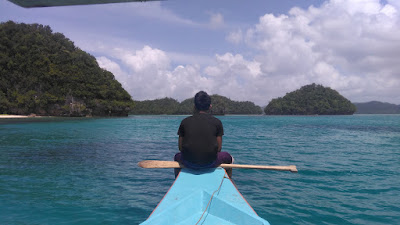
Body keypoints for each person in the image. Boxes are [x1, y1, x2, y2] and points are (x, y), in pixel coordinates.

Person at [174, 91, 233, 178]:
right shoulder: (217, 122)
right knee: (228, 157)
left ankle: (177, 179)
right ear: (210, 107)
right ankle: (227, 181)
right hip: (210, 162)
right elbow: (219, 148)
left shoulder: (184, 122)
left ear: (194, 107)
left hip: (188, 162)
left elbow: (180, 147)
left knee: (177, 156)